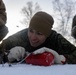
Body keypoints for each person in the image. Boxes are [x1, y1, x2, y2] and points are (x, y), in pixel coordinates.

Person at [0, 11, 76, 65]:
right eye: (31, 31)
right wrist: (6, 56)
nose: (33, 37)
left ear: (47, 34)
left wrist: (61, 58)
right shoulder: (19, 38)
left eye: (39, 33)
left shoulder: (55, 39)